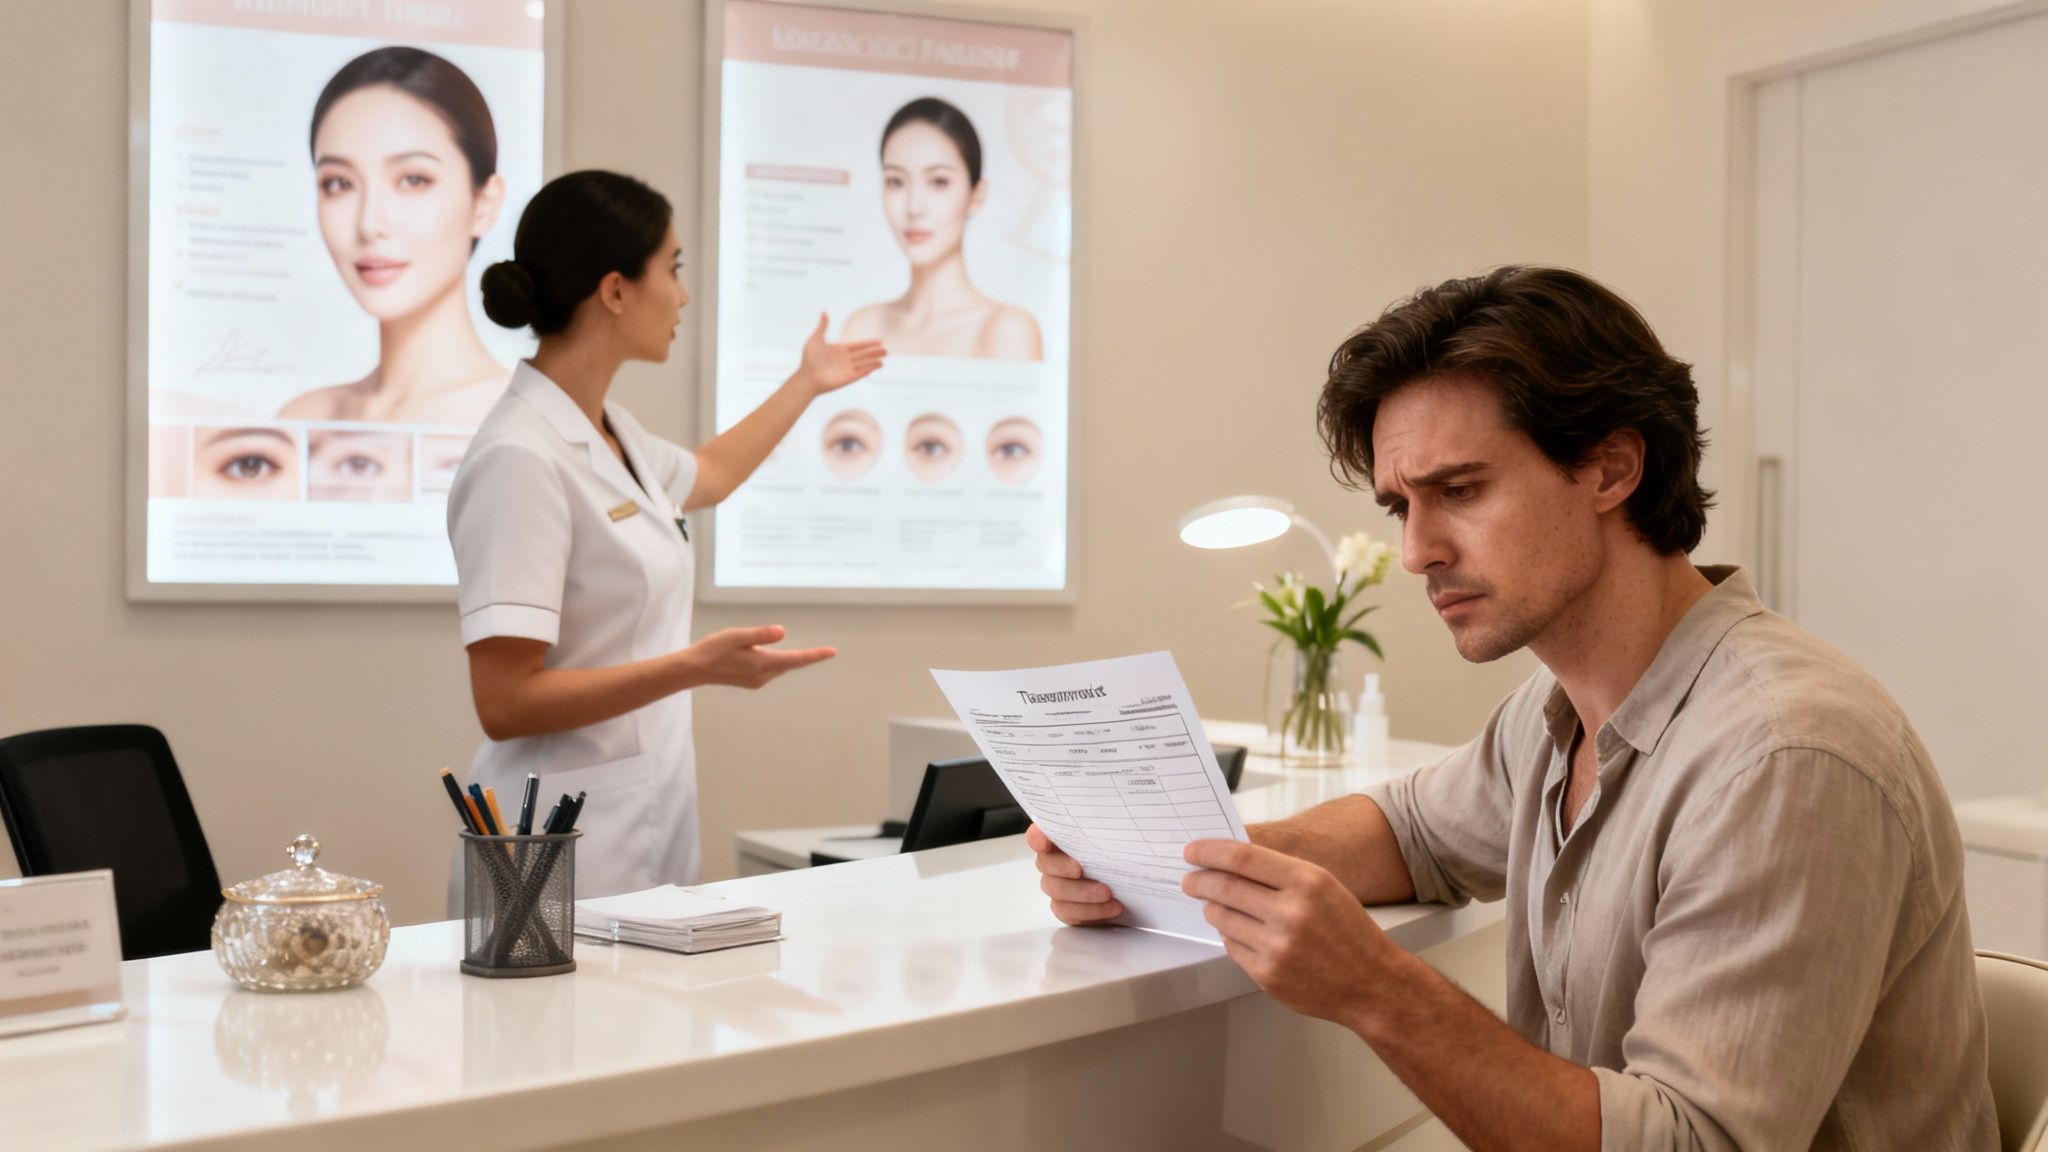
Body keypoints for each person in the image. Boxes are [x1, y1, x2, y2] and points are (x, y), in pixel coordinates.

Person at [1029, 267, 1998, 1149]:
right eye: (1398, 507)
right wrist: (1181, 855)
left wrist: (1372, 988)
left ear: (1611, 470)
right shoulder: (1558, 708)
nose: (1415, 552)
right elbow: (1409, 831)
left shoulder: (1784, 756)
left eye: (1457, 490)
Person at [448, 170, 885, 904]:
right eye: (673, 270)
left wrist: (806, 383)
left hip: (643, 824)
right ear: (616, 289)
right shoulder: (519, 457)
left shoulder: (612, 431)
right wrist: (695, 666)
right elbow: (506, 701)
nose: (682, 296)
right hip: (552, 858)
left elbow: (710, 474)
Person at [279, 47, 511, 425]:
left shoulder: (514, 420)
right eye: (339, 183)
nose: (369, 224)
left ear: (484, 203)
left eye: (413, 180)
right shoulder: (302, 421)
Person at [842, 97, 1042, 361]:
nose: (914, 207)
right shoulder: (864, 327)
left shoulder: (1008, 330)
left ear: (976, 195)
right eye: (895, 182)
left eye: (938, 182)